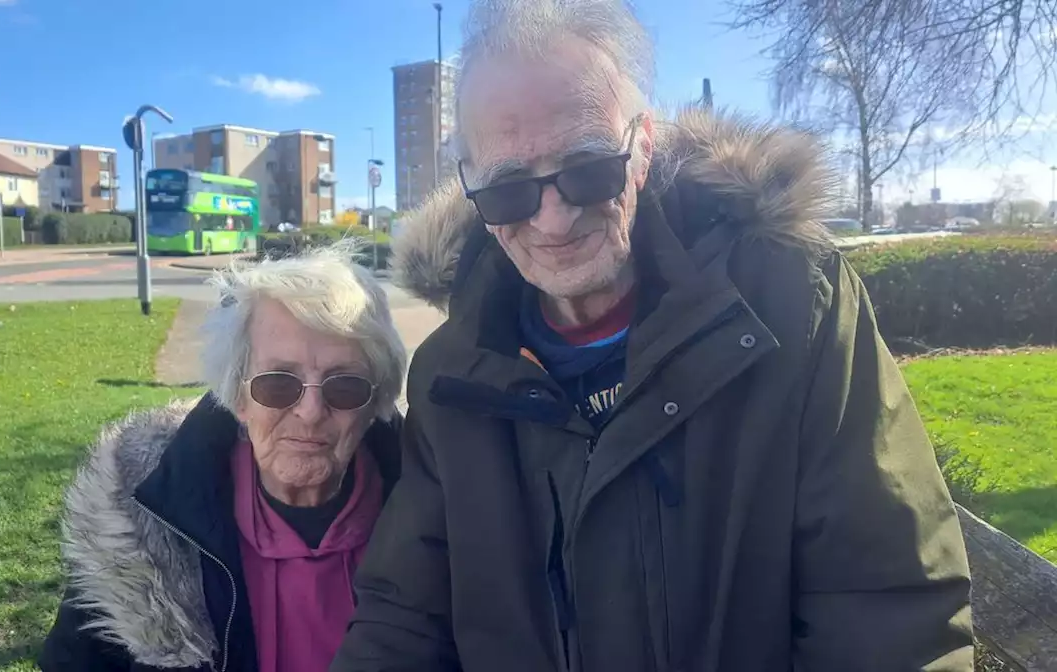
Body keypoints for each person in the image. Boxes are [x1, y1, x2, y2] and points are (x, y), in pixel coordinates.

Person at [332, 0, 973, 670]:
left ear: (642, 149)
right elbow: (406, 617)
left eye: (587, 169)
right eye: (508, 189)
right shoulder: (449, 376)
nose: (553, 221)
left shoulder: (791, 305)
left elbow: (884, 615)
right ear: (469, 188)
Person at [40, 243, 408, 672]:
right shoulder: (138, 527)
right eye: (278, 383)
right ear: (237, 397)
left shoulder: (436, 517)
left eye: (344, 386)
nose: (309, 413)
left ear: (374, 403)